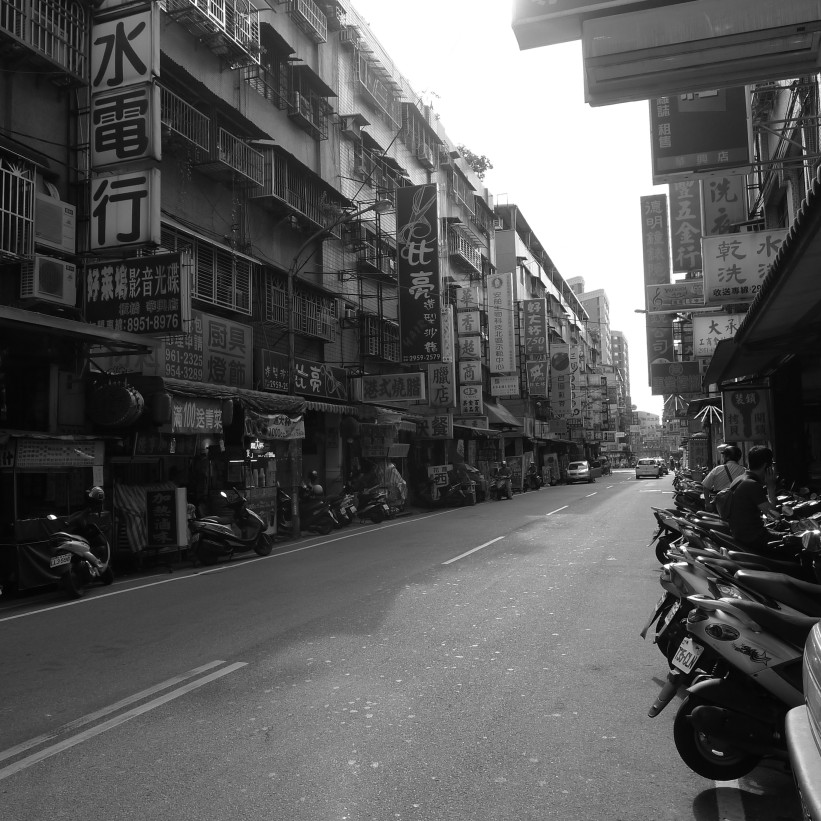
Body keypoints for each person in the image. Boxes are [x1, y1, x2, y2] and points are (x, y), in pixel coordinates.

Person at [726, 445, 785, 558]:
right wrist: (771, 487)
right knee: (793, 541)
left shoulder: (740, 479)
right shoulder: (752, 484)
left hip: (742, 534)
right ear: (766, 466)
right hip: (754, 538)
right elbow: (772, 515)